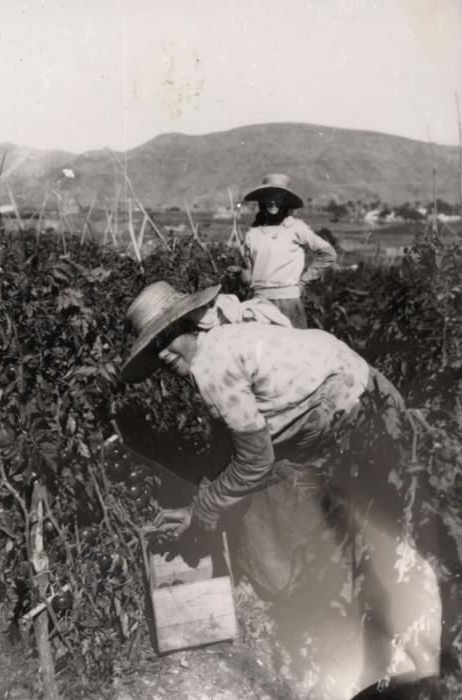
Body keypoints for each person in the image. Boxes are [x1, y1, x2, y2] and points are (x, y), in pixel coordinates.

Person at [121, 280, 442, 699]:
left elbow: (254, 462)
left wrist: (206, 508)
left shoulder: (213, 367)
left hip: (361, 419)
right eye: (154, 348)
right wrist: (203, 502)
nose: (163, 353)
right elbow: (240, 447)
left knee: (360, 541)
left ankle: (412, 663)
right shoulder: (229, 333)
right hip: (361, 398)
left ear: (189, 324)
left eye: (167, 337)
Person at [239, 173, 337, 328]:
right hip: (258, 304)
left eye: (278, 197)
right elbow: (250, 268)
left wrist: (304, 280)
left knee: (293, 350)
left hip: (288, 303)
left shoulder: (296, 228)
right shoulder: (253, 233)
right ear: (261, 201)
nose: (272, 202)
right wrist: (246, 275)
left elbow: (328, 253)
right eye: (268, 197)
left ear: (285, 202)